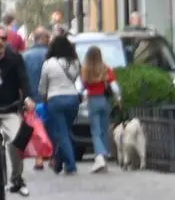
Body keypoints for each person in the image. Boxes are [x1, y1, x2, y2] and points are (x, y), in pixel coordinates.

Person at [0, 27, 36, 196]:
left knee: (16, 139)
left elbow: (23, 79)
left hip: (9, 108)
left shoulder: (14, 58)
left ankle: (16, 179)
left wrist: (28, 97)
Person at [39, 35, 81, 175]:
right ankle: (58, 161)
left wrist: (44, 98)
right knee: (66, 132)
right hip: (73, 99)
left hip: (55, 100)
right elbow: (75, 79)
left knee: (62, 134)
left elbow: (43, 87)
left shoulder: (48, 63)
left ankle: (71, 165)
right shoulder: (74, 62)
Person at [78, 46, 120, 173]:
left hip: (92, 100)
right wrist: (118, 99)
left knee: (95, 130)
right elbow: (115, 87)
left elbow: (80, 88)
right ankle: (104, 155)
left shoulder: (85, 70)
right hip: (105, 100)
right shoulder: (106, 69)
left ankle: (100, 156)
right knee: (103, 129)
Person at [23, 27, 50, 171]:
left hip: (32, 98)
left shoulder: (25, 56)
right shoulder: (51, 55)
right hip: (49, 97)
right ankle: (53, 158)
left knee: (36, 130)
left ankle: (39, 159)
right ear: (45, 39)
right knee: (52, 127)